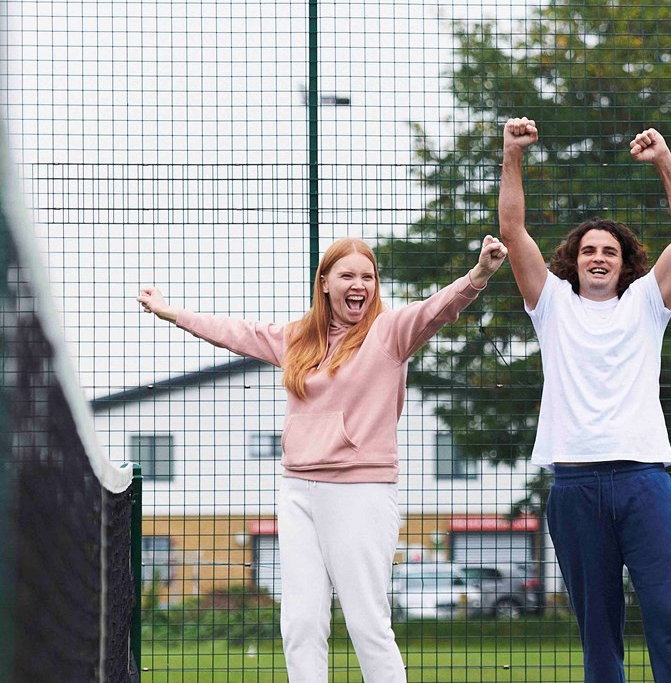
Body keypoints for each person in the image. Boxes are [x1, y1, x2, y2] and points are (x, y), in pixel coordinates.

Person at [136, 235, 508, 683]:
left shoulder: (388, 333)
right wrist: (173, 313)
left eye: (367, 277)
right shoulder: (300, 340)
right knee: (301, 624)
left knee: (367, 623)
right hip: (297, 492)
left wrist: (479, 275)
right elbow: (239, 334)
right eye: (348, 275)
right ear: (325, 283)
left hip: (360, 492)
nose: (360, 285)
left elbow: (435, 309)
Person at [499, 117, 671, 683]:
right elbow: (514, 231)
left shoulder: (647, 303)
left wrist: (665, 160)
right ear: (574, 258)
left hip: (643, 482)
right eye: (588, 249)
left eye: (609, 250)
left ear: (624, 261)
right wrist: (512, 155)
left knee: (668, 617)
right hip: (575, 487)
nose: (598, 256)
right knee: (598, 630)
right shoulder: (550, 303)